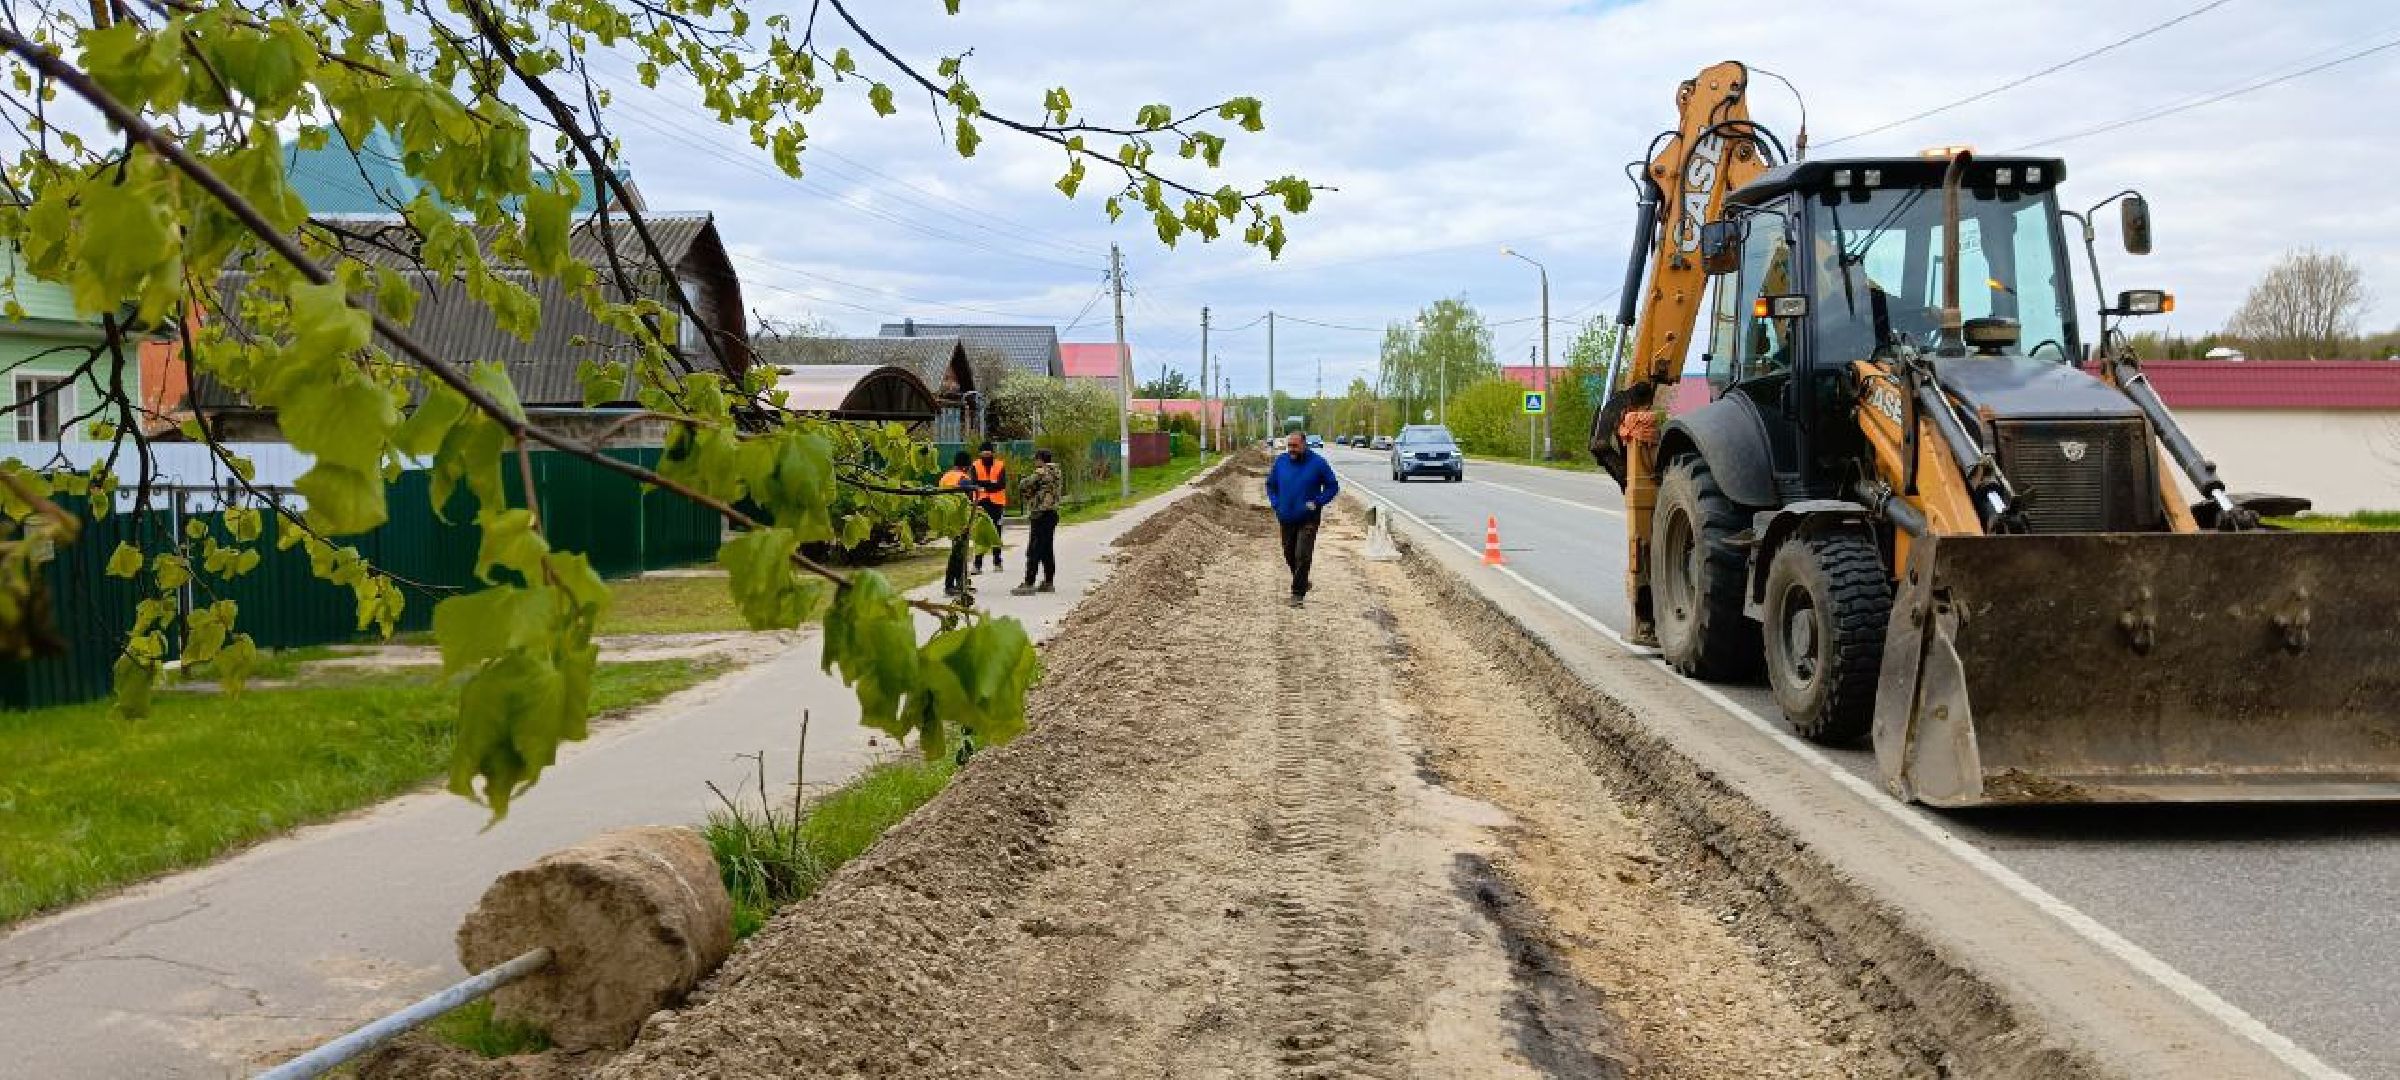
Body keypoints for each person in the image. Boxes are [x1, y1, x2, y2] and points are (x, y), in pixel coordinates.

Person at [1265, 430, 1339, 606]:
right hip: (1286, 517)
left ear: (1304, 445)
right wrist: (1276, 504)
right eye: (1289, 445)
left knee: (1302, 555)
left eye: (1295, 446)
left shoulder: (1318, 463)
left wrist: (1318, 501)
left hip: (1308, 518)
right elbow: (1270, 485)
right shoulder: (1281, 462)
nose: (1291, 449)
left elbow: (1332, 486)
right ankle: (1303, 581)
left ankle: (1297, 594)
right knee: (1288, 553)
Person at [1010, 448, 1064, 596]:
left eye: (1036, 459)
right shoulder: (1057, 472)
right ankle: (1048, 581)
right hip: (1052, 513)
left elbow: (1024, 485)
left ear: (1040, 459)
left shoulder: (1042, 472)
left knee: (1034, 549)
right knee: (1047, 550)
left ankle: (1029, 582)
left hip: (1040, 514)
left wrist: (1024, 481)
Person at [937, 450, 976, 596]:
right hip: (960, 520)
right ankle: (951, 585)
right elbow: (968, 501)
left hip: (947, 518)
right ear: (966, 466)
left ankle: (961, 582)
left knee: (958, 551)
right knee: (958, 553)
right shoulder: (963, 478)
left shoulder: (945, 477)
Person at [969, 441, 1009, 574]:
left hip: (997, 503)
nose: (986, 454)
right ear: (980, 453)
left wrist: (985, 485)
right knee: (980, 533)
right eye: (984, 452)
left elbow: (1001, 484)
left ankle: (997, 561)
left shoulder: (1000, 465)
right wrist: (991, 483)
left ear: (992, 453)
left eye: (988, 452)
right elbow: (974, 483)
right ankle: (977, 564)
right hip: (981, 502)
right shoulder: (975, 465)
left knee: (997, 532)